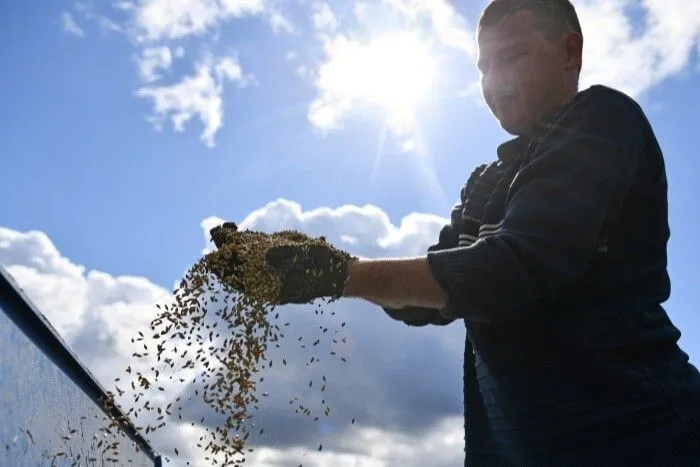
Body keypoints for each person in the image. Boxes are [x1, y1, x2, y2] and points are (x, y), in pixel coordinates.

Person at [210, 0, 700, 464]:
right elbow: (427, 302)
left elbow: (510, 269)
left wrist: (340, 275)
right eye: (484, 67)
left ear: (570, 52)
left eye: (512, 57)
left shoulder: (600, 122)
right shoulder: (487, 181)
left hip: (643, 436)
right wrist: (316, 259)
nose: (495, 82)